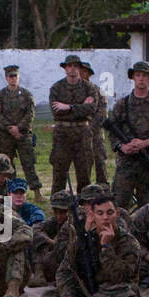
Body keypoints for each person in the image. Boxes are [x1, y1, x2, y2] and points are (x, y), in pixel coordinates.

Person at [40, 192, 141, 297]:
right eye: (100, 213)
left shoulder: (128, 242)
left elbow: (121, 276)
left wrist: (106, 247)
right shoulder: (84, 239)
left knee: (126, 292)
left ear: (116, 214)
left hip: (115, 293)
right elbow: (64, 271)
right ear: (92, 216)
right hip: (90, 291)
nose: (105, 218)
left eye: (109, 213)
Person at [108, 61, 149, 210]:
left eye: (144, 75)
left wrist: (145, 143)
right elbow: (112, 130)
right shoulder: (122, 105)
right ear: (133, 78)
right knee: (119, 202)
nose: (141, 79)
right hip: (126, 161)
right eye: (138, 75)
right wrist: (122, 146)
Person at [47, 54, 96, 193]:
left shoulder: (89, 88)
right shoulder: (56, 88)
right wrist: (81, 107)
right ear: (65, 68)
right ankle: (58, 205)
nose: (72, 69)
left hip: (82, 133)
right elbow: (56, 111)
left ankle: (84, 205)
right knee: (59, 172)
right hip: (62, 133)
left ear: (79, 68)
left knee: (84, 172)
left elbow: (92, 109)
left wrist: (69, 107)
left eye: (76, 66)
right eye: (70, 66)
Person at [0, 64, 41, 198]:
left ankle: (36, 191)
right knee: (7, 166)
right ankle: (9, 192)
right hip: (6, 136)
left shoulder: (26, 95)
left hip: (23, 134)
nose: (13, 79)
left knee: (29, 163)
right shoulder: (0, 96)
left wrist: (18, 128)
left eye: (15, 76)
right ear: (6, 78)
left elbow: (30, 114)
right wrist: (10, 128)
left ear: (18, 77)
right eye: (10, 76)